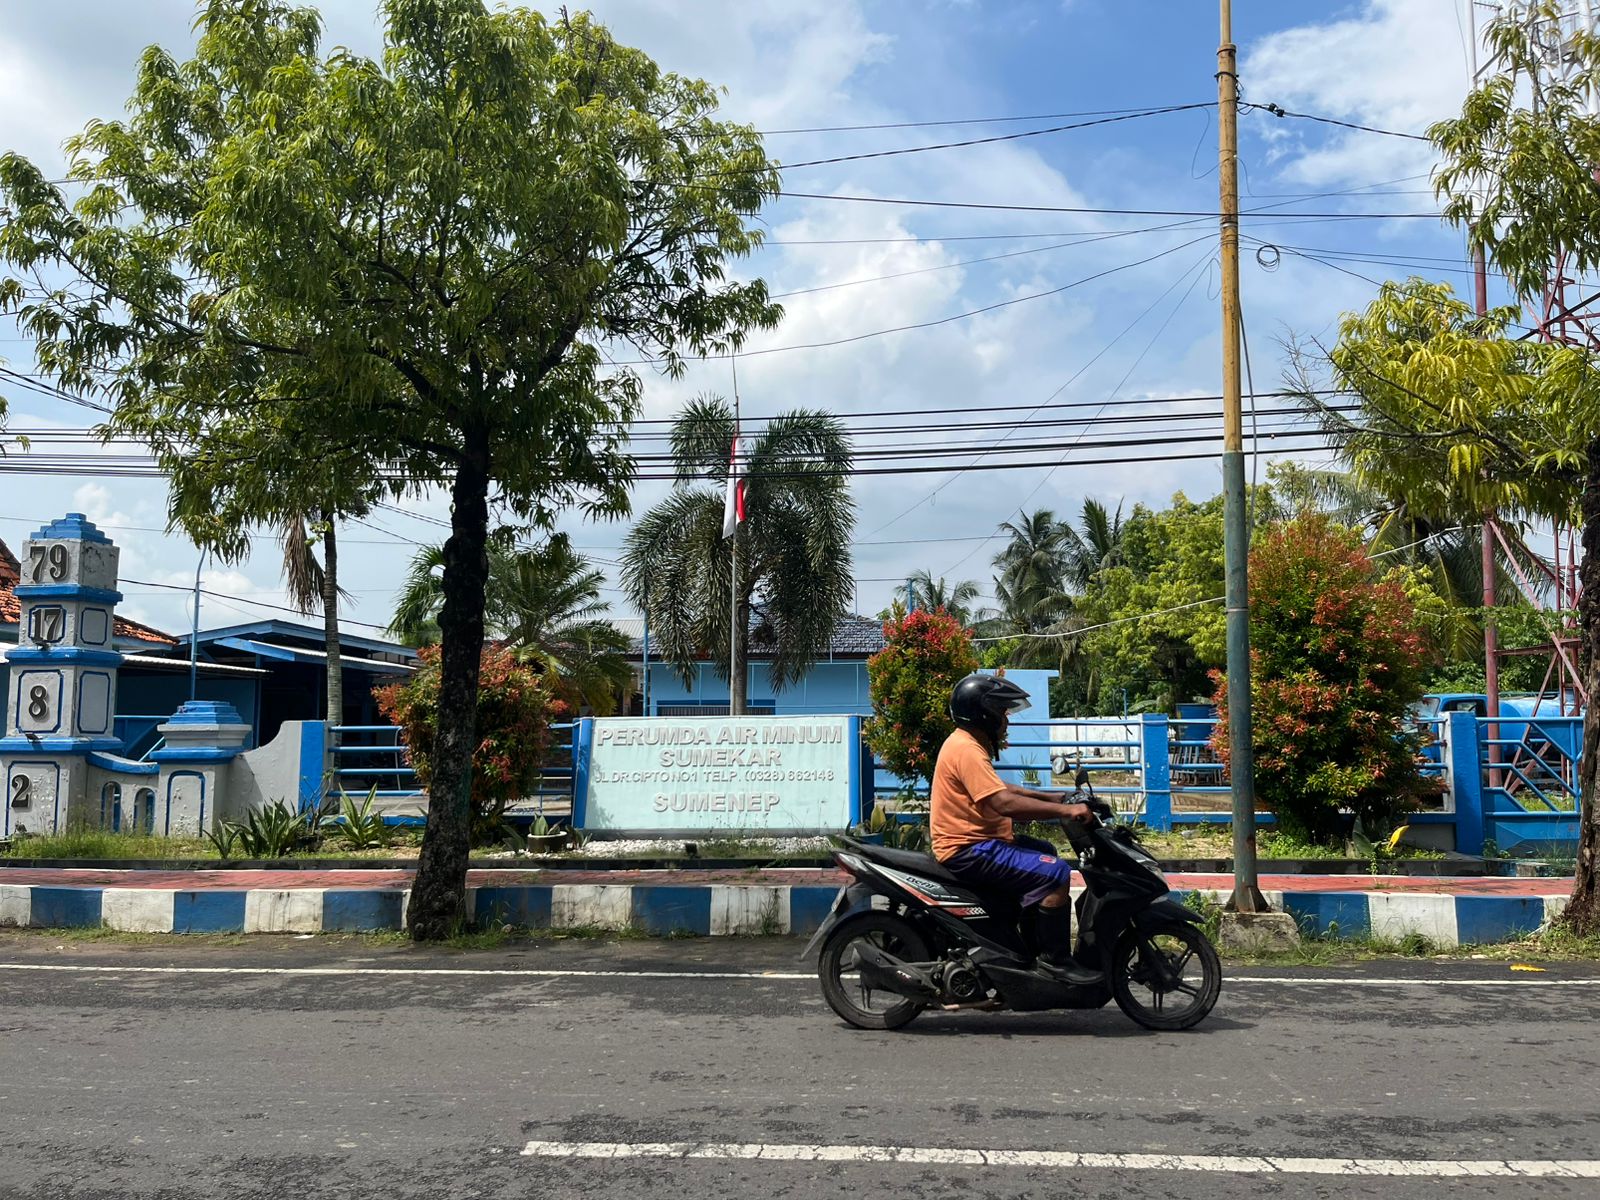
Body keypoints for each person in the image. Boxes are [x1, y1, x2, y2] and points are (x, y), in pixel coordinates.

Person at [929, 672, 1104, 986]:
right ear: (984, 714)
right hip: (969, 849)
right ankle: (1056, 963)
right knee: (1056, 872)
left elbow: (1000, 789)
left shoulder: (967, 743)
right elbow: (1003, 803)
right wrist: (1066, 810)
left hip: (979, 842)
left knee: (1045, 852)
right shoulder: (967, 749)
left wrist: (1056, 796)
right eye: (1002, 713)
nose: (1006, 722)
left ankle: (1026, 947)